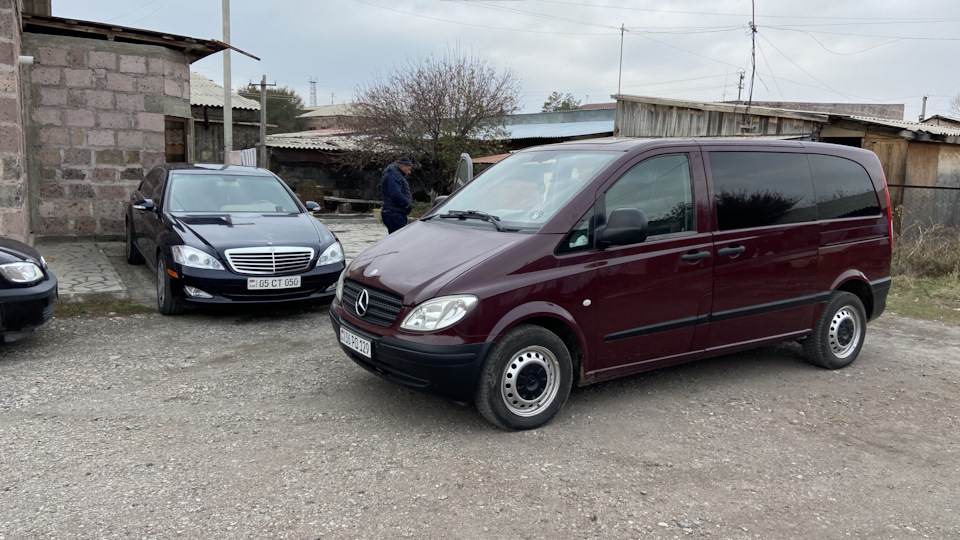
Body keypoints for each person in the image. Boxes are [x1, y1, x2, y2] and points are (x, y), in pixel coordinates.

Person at [380, 156, 414, 234]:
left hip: (394, 211)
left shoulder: (393, 174)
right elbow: (396, 193)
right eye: (408, 169)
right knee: (398, 240)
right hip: (395, 213)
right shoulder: (394, 175)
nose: (409, 172)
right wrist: (406, 204)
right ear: (403, 166)